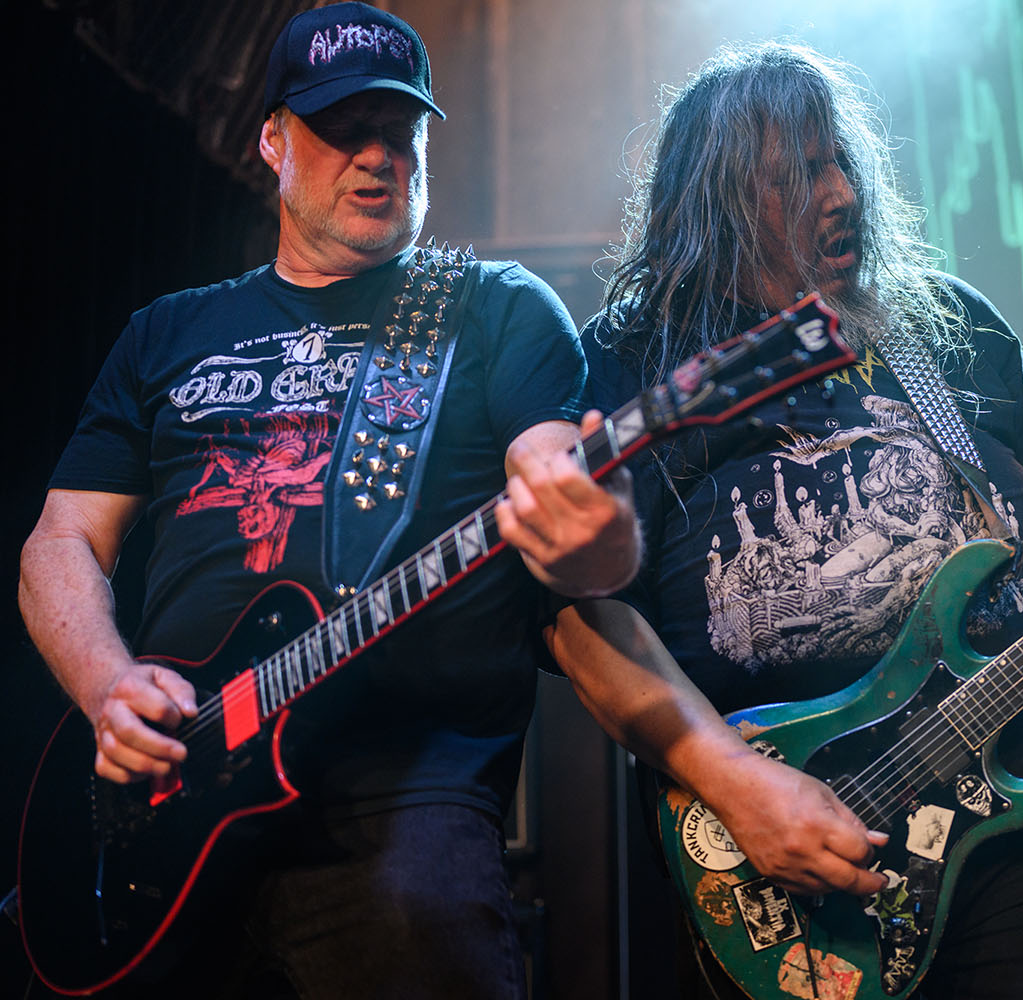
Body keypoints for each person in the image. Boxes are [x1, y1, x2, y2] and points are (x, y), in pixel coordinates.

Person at [545, 42, 1023, 999]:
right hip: (789, 858)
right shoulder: (634, 363)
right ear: (715, 202)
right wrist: (735, 781)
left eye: (841, 163)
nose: (842, 194)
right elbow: (580, 617)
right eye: (798, 174)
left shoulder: (940, 325)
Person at [16, 4, 636, 998]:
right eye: (345, 128)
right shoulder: (166, 332)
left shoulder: (495, 308)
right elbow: (60, 543)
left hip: (397, 802)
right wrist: (105, 686)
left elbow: (562, 492)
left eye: (400, 131)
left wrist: (597, 533)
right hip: (170, 791)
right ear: (273, 139)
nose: (377, 156)